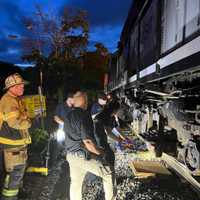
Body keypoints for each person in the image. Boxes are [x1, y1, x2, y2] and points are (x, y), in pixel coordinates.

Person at [64, 91, 116, 200]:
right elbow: (88, 142)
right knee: (108, 172)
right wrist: (100, 152)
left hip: (70, 155)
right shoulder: (84, 115)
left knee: (75, 184)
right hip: (81, 155)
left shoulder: (68, 115)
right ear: (85, 102)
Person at [0, 73, 32, 200]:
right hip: (12, 146)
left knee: (17, 174)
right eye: (20, 85)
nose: (23, 87)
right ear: (12, 87)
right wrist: (29, 122)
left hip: (15, 145)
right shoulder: (8, 101)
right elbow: (15, 123)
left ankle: (14, 194)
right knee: (15, 174)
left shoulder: (15, 99)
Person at [93, 101, 127, 167]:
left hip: (102, 136)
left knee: (108, 153)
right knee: (107, 155)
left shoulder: (112, 116)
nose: (118, 112)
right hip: (97, 137)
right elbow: (109, 133)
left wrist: (126, 138)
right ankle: (106, 169)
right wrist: (121, 141)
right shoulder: (104, 115)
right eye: (118, 109)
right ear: (114, 110)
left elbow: (117, 129)